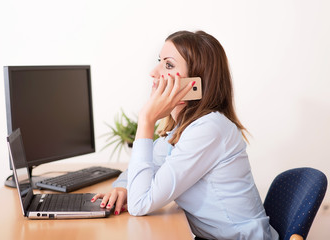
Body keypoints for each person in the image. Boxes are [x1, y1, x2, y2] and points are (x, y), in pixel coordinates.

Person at [92, 30, 279, 240]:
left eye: (168, 65)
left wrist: (146, 119)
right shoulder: (184, 128)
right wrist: (121, 188)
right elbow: (145, 167)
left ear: (194, 83)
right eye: (159, 61)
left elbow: (140, 204)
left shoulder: (209, 129)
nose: (153, 72)